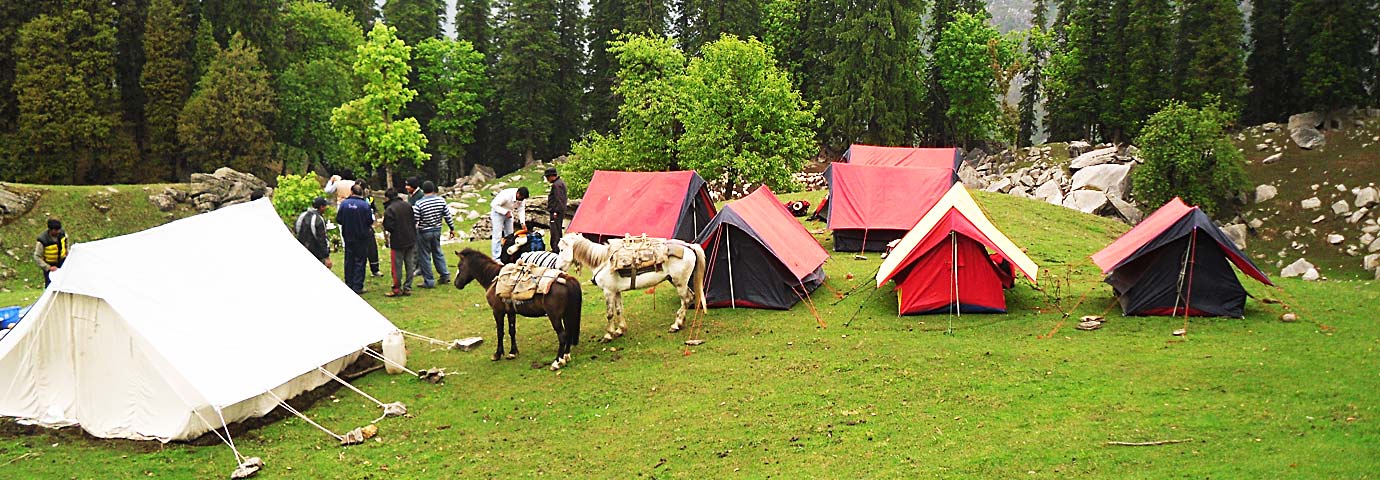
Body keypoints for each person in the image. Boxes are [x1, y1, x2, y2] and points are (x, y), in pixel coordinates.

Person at [412, 181, 457, 288]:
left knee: (425, 256)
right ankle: (445, 275)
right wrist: (452, 228)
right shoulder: (441, 201)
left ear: (423, 191)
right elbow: (447, 216)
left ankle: (429, 281)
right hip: (437, 230)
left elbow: (415, 219)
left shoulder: (419, 203)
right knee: (438, 252)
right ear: (433, 189)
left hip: (424, 231)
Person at [336, 184, 375, 294]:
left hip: (348, 236)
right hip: (361, 237)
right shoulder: (365, 205)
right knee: (360, 261)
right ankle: (358, 286)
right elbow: (370, 221)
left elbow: (339, 219)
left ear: (351, 192)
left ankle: (349, 283)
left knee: (349, 260)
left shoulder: (344, 204)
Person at [382, 188, 418, 297]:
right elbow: (414, 220)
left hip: (397, 241)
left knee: (397, 266)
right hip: (411, 239)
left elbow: (388, 226)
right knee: (409, 264)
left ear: (388, 197)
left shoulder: (390, 209)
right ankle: (408, 287)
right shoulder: (407, 205)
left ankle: (396, 289)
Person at [489, 186, 529, 261]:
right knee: (497, 235)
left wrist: (522, 222)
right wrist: (504, 212)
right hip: (498, 212)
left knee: (510, 235)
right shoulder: (506, 195)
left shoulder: (522, 199)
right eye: (521, 197)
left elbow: (521, 209)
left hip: (509, 213)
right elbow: (493, 205)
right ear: (518, 193)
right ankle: (496, 258)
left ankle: (507, 255)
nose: (521, 200)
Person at [295, 197, 333, 269]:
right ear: (321, 207)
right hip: (317, 252)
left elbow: (297, 229)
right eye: (325, 206)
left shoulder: (302, 215)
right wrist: (326, 256)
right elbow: (321, 239)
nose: (326, 208)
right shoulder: (319, 219)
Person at [34, 219, 70, 287]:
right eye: (56, 230)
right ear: (51, 230)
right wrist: (48, 267)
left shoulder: (63, 234)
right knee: (50, 286)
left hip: (62, 262)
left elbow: (66, 244)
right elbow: (37, 256)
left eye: (59, 229)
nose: (58, 231)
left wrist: (67, 255)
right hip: (50, 265)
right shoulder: (42, 240)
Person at [360, 182, 383, 277]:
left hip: (368, 226)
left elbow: (373, 208)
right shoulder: (353, 200)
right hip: (358, 227)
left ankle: (375, 269)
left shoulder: (369, 198)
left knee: (372, 248)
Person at [544, 168, 567, 253]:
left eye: (547, 177)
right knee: (558, 230)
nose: (547, 179)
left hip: (556, 212)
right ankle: (558, 248)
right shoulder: (560, 183)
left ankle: (556, 249)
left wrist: (555, 211)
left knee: (555, 231)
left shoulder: (556, 185)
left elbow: (558, 199)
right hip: (559, 211)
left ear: (551, 176)